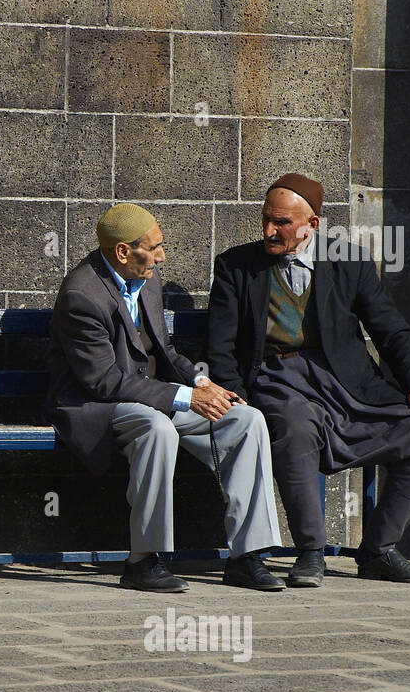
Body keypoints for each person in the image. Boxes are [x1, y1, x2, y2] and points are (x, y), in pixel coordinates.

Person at [207, 173, 410, 586]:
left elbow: (391, 331)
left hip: (347, 383)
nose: (269, 230)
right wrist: (235, 397)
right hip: (277, 378)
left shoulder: (349, 262)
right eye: (266, 219)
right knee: (294, 426)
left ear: (313, 224)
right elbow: (220, 346)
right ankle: (310, 553)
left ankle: (378, 550)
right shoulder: (236, 266)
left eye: (281, 222)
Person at [45, 203, 284, 593]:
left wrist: (201, 383)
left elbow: (166, 351)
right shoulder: (81, 295)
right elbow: (104, 382)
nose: (162, 256)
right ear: (123, 252)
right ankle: (143, 561)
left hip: (152, 396)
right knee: (157, 428)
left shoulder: (146, 279)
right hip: (96, 406)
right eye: (153, 247)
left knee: (246, 419)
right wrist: (185, 398)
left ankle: (247, 556)